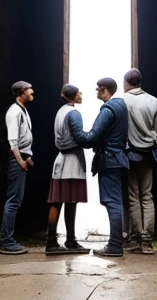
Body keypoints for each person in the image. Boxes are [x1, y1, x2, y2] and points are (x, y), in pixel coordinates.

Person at [68, 76, 129, 257]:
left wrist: (75, 130)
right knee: (115, 201)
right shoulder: (121, 106)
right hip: (117, 158)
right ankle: (116, 244)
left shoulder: (108, 108)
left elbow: (91, 137)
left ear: (104, 89)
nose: (95, 92)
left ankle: (115, 245)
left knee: (112, 202)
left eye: (97, 89)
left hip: (109, 159)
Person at [45, 84, 90, 255]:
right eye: (79, 92)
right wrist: (93, 138)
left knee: (57, 201)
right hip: (72, 161)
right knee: (70, 201)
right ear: (75, 95)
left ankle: (52, 240)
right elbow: (79, 137)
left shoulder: (60, 111)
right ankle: (68, 240)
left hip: (61, 158)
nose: (81, 94)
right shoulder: (73, 113)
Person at [123, 68, 157, 254]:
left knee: (133, 195)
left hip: (131, 154)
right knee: (147, 195)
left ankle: (136, 237)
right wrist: (151, 142)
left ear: (126, 82)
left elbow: (121, 129)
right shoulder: (154, 101)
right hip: (148, 153)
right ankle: (148, 239)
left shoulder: (123, 100)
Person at [0, 80, 34, 255]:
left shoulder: (22, 110)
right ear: (21, 92)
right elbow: (13, 142)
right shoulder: (14, 112)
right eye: (29, 89)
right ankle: (6, 241)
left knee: (16, 200)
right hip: (17, 159)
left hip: (22, 158)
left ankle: (8, 239)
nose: (32, 91)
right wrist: (21, 161)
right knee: (13, 200)